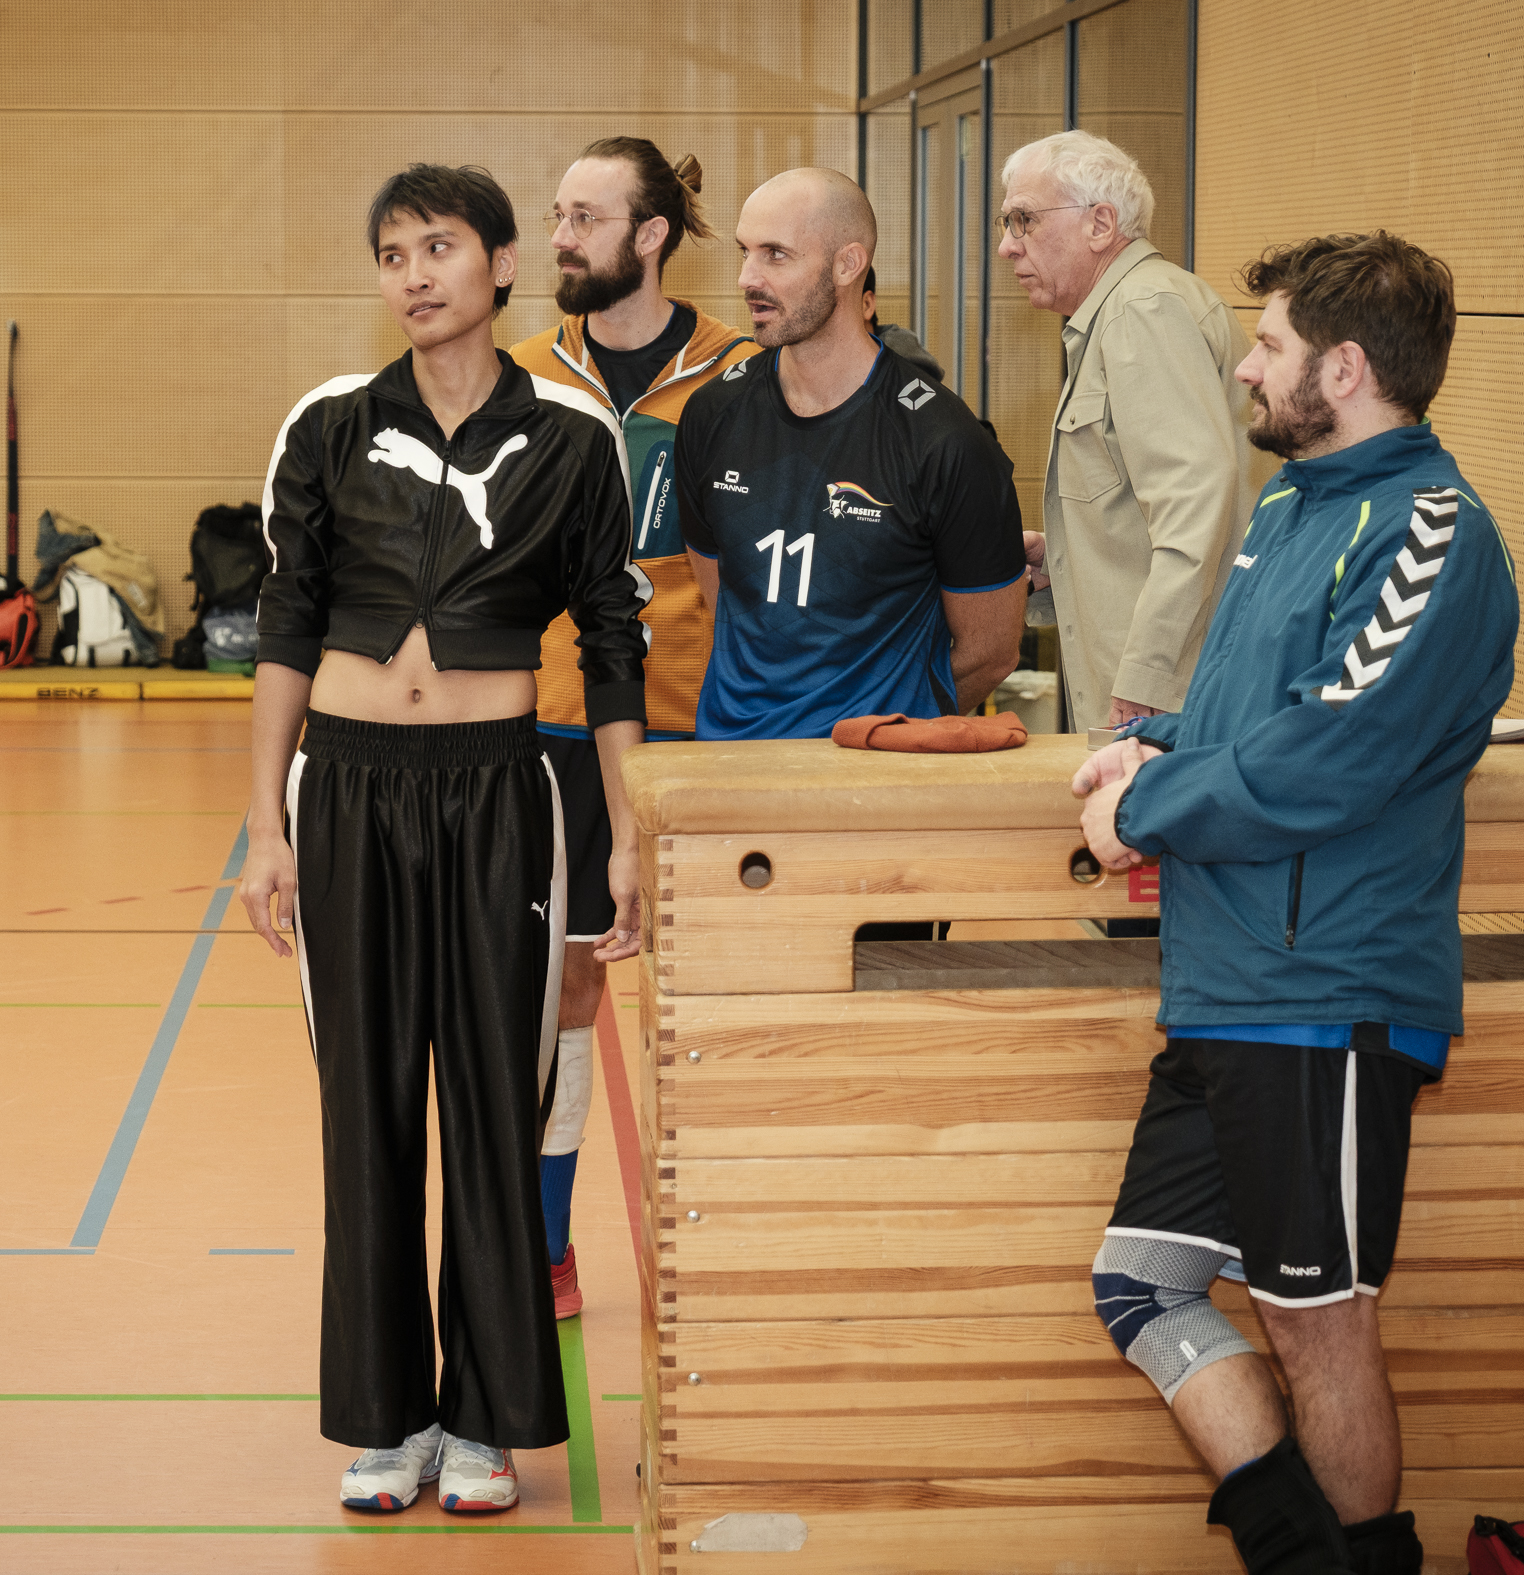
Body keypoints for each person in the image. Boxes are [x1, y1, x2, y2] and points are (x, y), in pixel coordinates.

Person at [1071, 232, 1518, 1574]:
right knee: (1142, 1284)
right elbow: (1247, 714)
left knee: (1316, 1320)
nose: (1245, 369)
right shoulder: (1288, 508)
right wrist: (1149, 747)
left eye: (1266, 346)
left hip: (1322, 993)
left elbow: (1330, 752)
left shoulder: (1431, 530)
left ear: (1344, 367)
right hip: (1227, 980)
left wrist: (1142, 808)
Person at [236, 163, 648, 1518]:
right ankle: (386, 1418)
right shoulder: (328, 427)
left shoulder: (574, 438)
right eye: (392, 253)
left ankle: (483, 1419)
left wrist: (626, 834)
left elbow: (613, 640)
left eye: (440, 246)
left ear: (502, 263)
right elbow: (286, 623)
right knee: (363, 1110)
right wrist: (264, 825)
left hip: (498, 794)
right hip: (347, 789)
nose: (414, 274)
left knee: (490, 1103)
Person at [508, 138, 756, 1324]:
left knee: (713, 998)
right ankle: (546, 1245)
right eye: (556, 215)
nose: (560, 237)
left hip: (705, 729)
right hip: (557, 727)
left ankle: (734, 1247)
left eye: (585, 218)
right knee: (562, 991)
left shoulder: (744, 374)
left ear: (650, 235)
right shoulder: (520, 374)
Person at [673, 167, 1026, 743]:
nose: (746, 278)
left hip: (869, 772)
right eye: (745, 252)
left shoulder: (945, 442)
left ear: (847, 264)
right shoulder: (711, 415)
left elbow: (991, 652)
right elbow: (723, 603)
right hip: (729, 760)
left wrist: (882, 727)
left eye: (775, 255)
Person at [997, 130, 1248, 733]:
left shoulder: (1143, 310)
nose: (1007, 246)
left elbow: (1195, 505)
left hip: (1163, 705)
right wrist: (1066, 557)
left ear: (1101, 224)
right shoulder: (1125, 310)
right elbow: (1148, 508)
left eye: (1023, 220)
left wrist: (1148, 676)